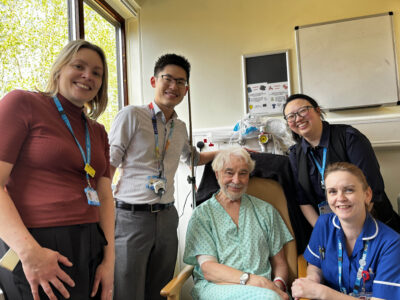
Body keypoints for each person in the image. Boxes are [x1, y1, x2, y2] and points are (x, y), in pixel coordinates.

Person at [0, 39, 115, 300]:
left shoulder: (97, 131)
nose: (88, 76)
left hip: (91, 243)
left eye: (97, 73)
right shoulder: (22, 103)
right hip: (36, 242)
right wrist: (30, 253)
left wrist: (109, 261)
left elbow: (105, 196)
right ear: (59, 69)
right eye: (79, 66)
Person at [109, 53, 217, 300]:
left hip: (167, 217)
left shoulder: (179, 127)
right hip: (130, 216)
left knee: (161, 288)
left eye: (180, 82)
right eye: (167, 79)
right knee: (127, 289)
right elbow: (109, 166)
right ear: (153, 81)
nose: (173, 86)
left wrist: (232, 151)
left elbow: (193, 159)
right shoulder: (131, 115)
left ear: (186, 89)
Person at [183, 147, 292, 300]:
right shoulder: (202, 215)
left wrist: (278, 285)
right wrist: (257, 282)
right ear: (217, 174)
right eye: (229, 173)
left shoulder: (266, 211)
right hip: (217, 287)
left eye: (243, 173)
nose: (236, 180)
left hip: (266, 290)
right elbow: (209, 269)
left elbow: (280, 263)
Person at [283, 93, 400, 232]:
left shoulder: (349, 138)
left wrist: (351, 231)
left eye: (303, 110)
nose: (298, 118)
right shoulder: (295, 155)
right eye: (291, 116)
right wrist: (325, 232)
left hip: (373, 223)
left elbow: (372, 188)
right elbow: (304, 201)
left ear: (318, 110)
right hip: (331, 229)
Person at [291, 162, 400, 299]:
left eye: (349, 190)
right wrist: (312, 280)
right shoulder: (323, 224)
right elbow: (315, 265)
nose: (340, 198)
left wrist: (321, 292)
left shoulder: (391, 243)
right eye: (332, 191)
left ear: (367, 194)